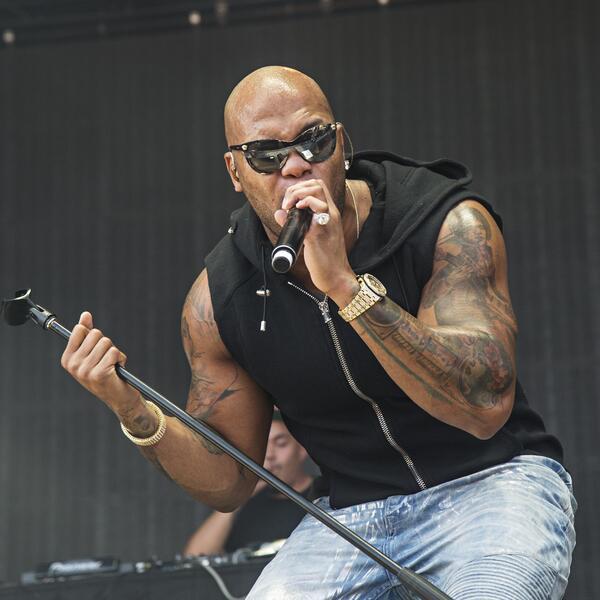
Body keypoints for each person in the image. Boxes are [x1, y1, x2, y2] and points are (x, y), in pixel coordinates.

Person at [60, 66, 576, 599]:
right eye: (265, 154)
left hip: (491, 482)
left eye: (314, 140)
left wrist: (347, 288)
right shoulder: (220, 298)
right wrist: (131, 408)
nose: (296, 164)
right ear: (235, 171)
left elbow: (484, 403)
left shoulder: (443, 223)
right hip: (351, 516)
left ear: (342, 143)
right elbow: (229, 480)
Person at [183, 413, 313, 556]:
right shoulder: (244, 504)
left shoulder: (322, 494)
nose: (269, 454)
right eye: (263, 445)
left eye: (280, 444)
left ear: (302, 449)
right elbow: (196, 555)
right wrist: (241, 494)